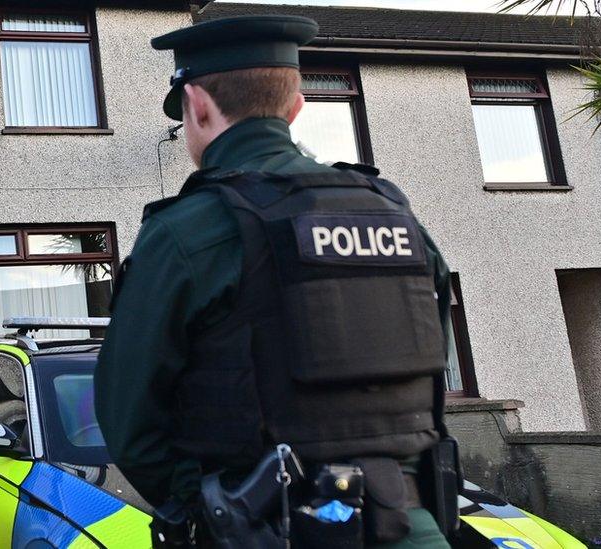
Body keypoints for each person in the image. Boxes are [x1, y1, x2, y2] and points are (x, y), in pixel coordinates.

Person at [94, 14, 457, 548]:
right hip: (412, 525)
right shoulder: (394, 214)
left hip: (261, 528)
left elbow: (131, 423)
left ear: (196, 104)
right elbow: (433, 366)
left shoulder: (187, 232)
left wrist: (211, 504)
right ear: (296, 106)